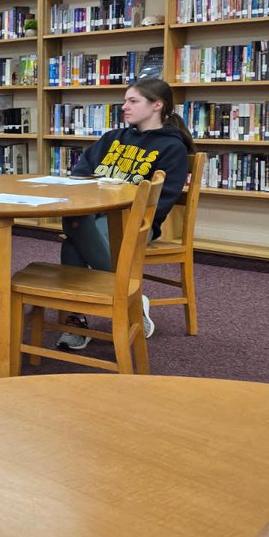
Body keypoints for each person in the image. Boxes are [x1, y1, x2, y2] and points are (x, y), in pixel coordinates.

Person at [57, 77, 194, 349]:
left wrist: (118, 193)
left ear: (157, 105)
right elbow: (80, 174)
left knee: (74, 237)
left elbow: (160, 200)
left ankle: (76, 319)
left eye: (133, 101)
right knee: (76, 223)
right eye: (124, 101)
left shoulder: (172, 147)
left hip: (136, 219)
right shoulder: (112, 138)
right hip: (96, 214)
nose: (124, 107)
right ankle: (131, 297)